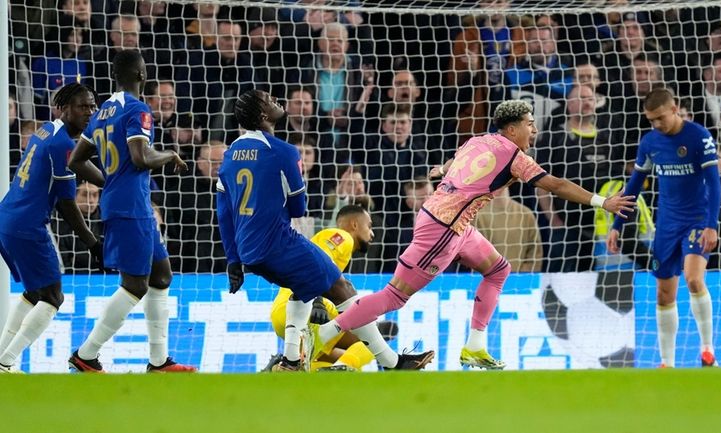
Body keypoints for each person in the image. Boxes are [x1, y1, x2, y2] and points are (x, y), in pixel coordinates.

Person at [313, 100, 635, 369]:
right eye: (529, 123)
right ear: (511, 129)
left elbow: (455, 160)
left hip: (455, 224)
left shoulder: (478, 139)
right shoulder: (514, 155)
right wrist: (601, 201)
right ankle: (327, 332)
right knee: (395, 296)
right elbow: (556, 185)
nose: (534, 129)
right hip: (442, 228)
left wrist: (442, 169)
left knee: (498, 269)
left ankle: (475, 345)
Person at [217, 89, 434, 372]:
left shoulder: (230, 154)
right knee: (343, 289)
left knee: (301, 287)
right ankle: (391, 362)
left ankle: (292, 361)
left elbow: (223, 211)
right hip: (278, 242)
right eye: (270, 101)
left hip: (247, 250)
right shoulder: (283, 152)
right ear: (262, 115)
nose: (278, 101)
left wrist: (233, 258)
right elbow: (298, 208)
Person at [67, 50, 196, 373]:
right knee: (135, 284)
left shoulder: (102, 112)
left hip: (126, 204)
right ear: (142, 74)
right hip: (131, 208)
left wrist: (109, 180)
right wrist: (169, 155)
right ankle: (87, 353)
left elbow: (76, 160)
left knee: (161, 275)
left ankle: (159, 361)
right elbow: (141, 158)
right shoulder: (138, 110)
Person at [607, 87, 721, 368]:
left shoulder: (698, 137)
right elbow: (634, 186)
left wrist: (711, 224)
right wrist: (617, 224)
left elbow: (714, 183)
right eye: (651, 120)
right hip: (666, 225)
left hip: (696, 221)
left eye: (660, 117)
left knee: (694, 279)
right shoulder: (650, 143)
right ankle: (667, 363)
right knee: (664, 293)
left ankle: (708, 350)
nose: (657, 124)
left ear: (674, 109)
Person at [0, 82, 101, 373]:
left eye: (92, 106)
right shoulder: (63, 145)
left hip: (9, 218)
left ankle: (3, 357)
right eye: (82, 106)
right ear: (63, 108)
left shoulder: (46, 130)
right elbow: (67, 205)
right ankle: (5, 362)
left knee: (34, 292)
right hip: (27, 226)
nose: (89, 112)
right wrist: (92, 243)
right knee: (53, 296)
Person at [270, 205, 395, 372]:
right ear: (354, 225)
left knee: (316, 362)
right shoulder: (341, 236)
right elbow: (316, 266)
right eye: (369, 226)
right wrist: (318, 301)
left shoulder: (334, 248)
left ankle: (280, 367)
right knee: (371, 335)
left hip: (284, 315)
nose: (372, 233)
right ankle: (344, 368)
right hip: (305, 307)